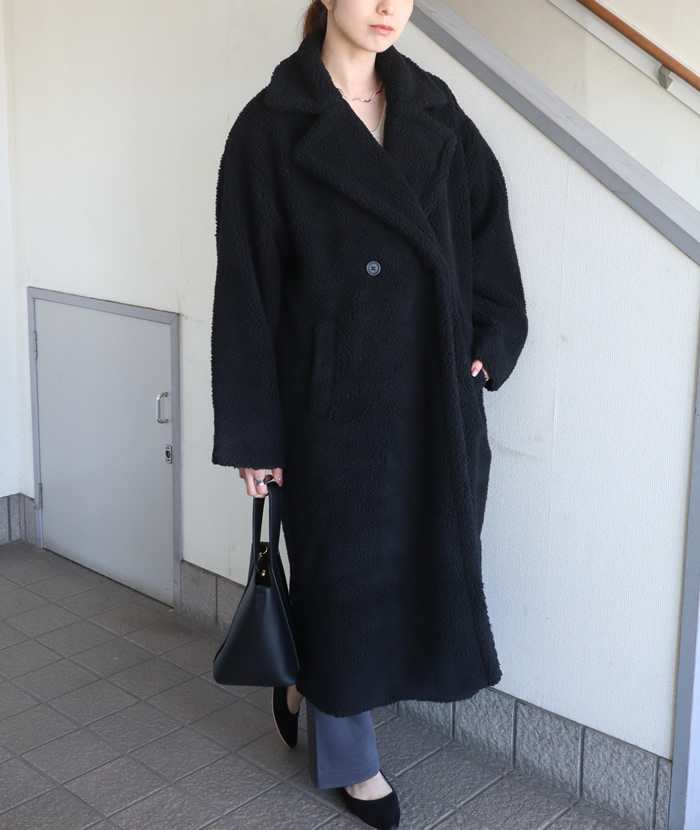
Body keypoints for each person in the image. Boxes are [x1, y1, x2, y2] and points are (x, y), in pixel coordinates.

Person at [210, 0, 528, 826]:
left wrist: (489, 338)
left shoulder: (434, 108)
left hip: (433, 404)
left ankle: (307, 676)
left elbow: (488, 229)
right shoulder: (269, 129)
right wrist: (253, 429)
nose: (388, 6)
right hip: (333, 409)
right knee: (341, 583)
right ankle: (351, 760)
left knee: (420, 565)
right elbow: (245, 291)